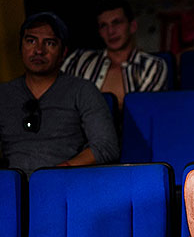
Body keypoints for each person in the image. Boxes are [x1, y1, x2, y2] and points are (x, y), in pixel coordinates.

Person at [0, 12, 119, 177]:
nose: (39, 50)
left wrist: (56, 172)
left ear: (63, 53)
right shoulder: (4, 94)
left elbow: (106, 146)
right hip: (11, 185)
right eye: (31, 41)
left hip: (64, 182)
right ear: (21, 47)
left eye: (49, 43)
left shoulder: (82, 90)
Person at [61, 0, 168, 110]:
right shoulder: (80, 59)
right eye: (104, 25)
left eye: (116, 23)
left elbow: (143, 112)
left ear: (132, 26)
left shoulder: (152, 66)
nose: (110, 31)